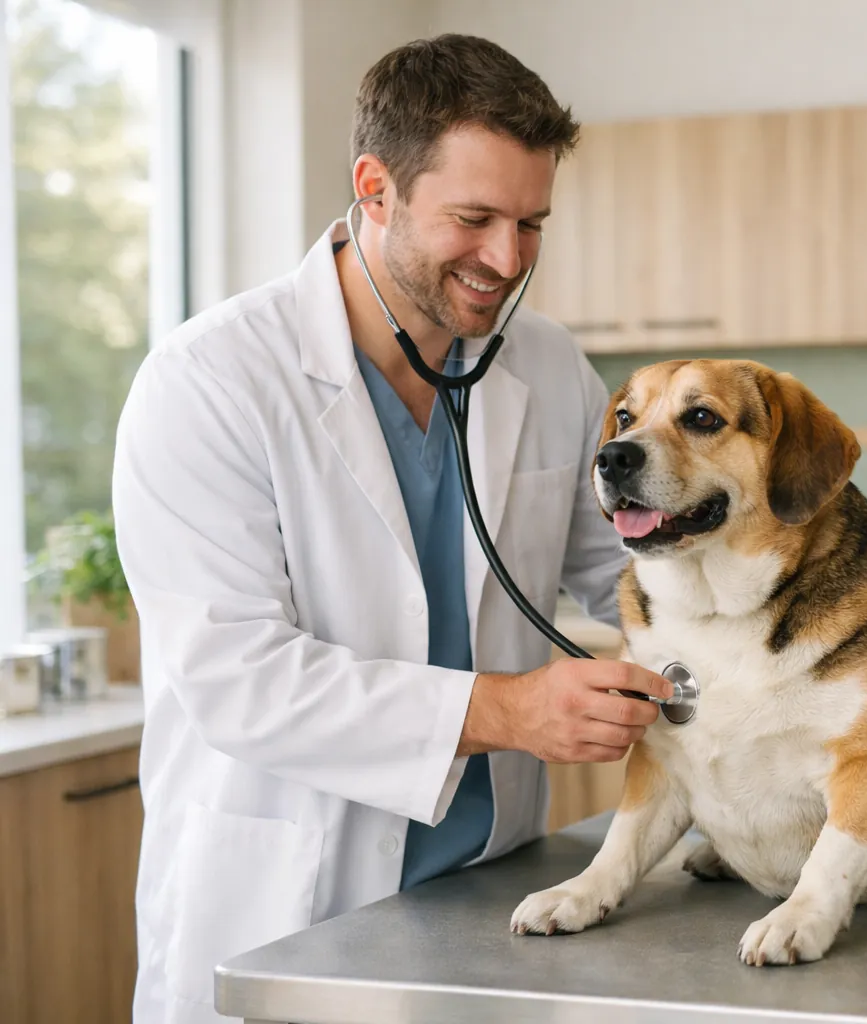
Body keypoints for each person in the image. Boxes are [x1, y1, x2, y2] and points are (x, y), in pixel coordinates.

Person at [112, 34, 672, 1024]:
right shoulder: (209, 382)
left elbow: (627, 571)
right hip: (291, 909)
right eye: (474, 219)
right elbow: (238, 680)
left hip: (489, 903)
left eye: (531, 224)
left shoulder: (547, 366)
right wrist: (508, 712)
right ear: (375, 189)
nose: (508, 260)